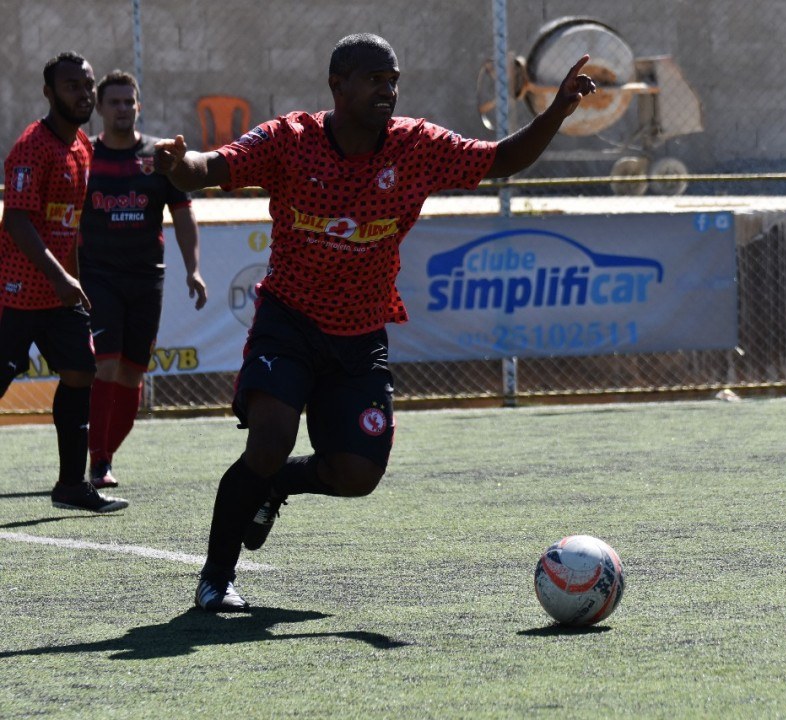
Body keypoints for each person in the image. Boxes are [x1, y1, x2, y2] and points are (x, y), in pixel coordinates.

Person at [155, 33, 596, 612]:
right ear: (337, 85)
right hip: (288, 321)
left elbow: (501, 160)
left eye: (393, 80)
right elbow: (208, 168)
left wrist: (556, 110)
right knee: (269, 440)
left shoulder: (416, 145)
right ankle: (216, 578)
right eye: (373, 79)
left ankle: (279, 485)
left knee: (358, 474)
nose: (386, 89)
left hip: (360, 336)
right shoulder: (290, 140)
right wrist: (177, 163)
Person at [0, 52, 129, 513]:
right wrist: (60, 276)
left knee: (80, 373)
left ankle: (72, 486)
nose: (83, 93)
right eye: (72, 85)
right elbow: (16, 220)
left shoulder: (82, 147)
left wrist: (73, 277)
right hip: (14, 293)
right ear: (49, 93)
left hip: (59, 295)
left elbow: (66, 224)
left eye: (87, 84)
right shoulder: (32, 147)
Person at [80, 70, 207, 489]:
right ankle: (98, 463)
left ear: (139, 106)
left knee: (134, 372)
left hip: (146, 279)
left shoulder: (159, 156)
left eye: (128, 102)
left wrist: (193, 268)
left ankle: (105, 455)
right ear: (99, 108)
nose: (122, 109)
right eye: (113, 102)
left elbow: (183, 214)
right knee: (106, 363)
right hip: (97, 277)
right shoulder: (83, 155)